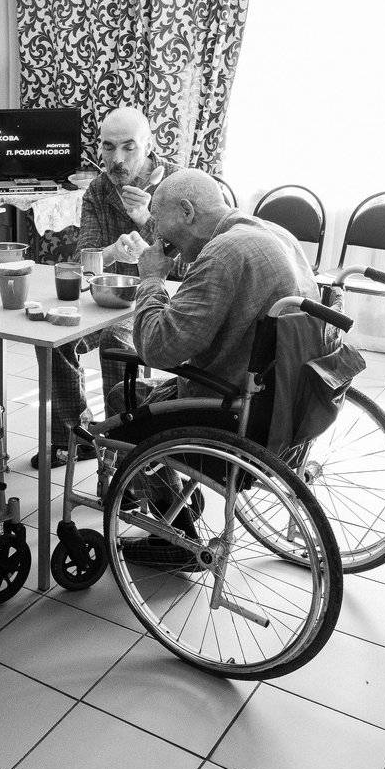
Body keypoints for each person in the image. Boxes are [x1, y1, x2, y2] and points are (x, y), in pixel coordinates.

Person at [121, 169, 319, 569]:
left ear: (187, 211)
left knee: (120, 401)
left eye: (157, 220)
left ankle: (177, 537)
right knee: (148, 391)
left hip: (234, 417)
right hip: (285, 404)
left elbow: (159, 348)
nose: (156, 233)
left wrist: (152, 280)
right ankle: (177, 498)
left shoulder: (224, 254)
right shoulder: (273, 233)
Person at [42, 106, 172, 468]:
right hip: (109, 298)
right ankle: (74, 437)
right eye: (108, 147)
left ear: (148, 145)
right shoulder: (99, 190)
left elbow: (192, 262)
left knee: (116, 341)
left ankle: (123, 456)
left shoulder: (174, 185)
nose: (117, 159)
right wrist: (113, 251)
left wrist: (148, 219)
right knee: (56, 334)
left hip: (159, 298)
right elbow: (86, 260)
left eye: (129, 147)